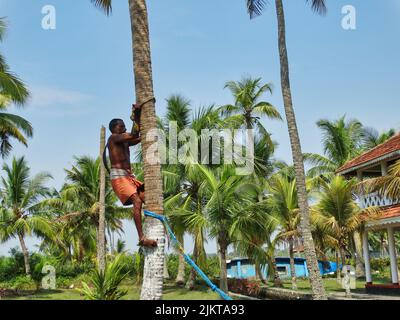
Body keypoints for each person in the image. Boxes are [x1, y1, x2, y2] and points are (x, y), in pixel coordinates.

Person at [107, 105, 157, 248]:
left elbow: (138, 137)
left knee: (147, 196)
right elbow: (134, 135)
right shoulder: (113, 139)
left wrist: (145, 125)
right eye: (121, 127)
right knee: (137, 201)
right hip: (119, 178)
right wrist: (135, 115)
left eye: (124, 126)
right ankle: (141, 237)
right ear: (114, 129)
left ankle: (153, 228)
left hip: (129, 177)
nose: (123, 129)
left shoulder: (123, 141)